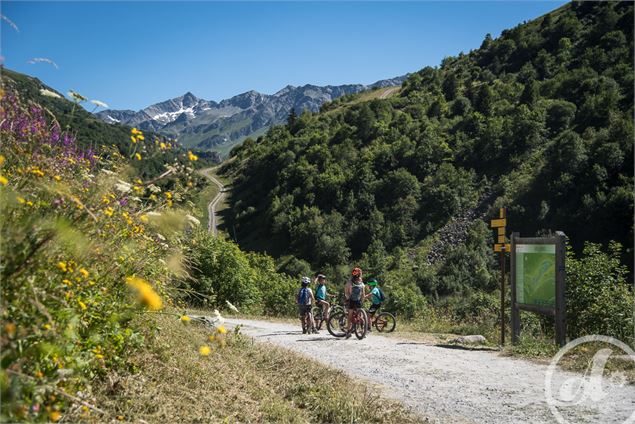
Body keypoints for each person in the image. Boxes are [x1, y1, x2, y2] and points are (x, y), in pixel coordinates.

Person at [344, 267, 364, 339]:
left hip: (351, 300)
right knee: (360, 316)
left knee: (350, 316)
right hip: (358, 301)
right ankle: (362, 330)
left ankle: (348, 332)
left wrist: (347, 298)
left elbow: (346, 292)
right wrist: (362, 300)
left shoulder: (350, 282)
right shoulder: (361, 282)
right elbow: (363, 294)